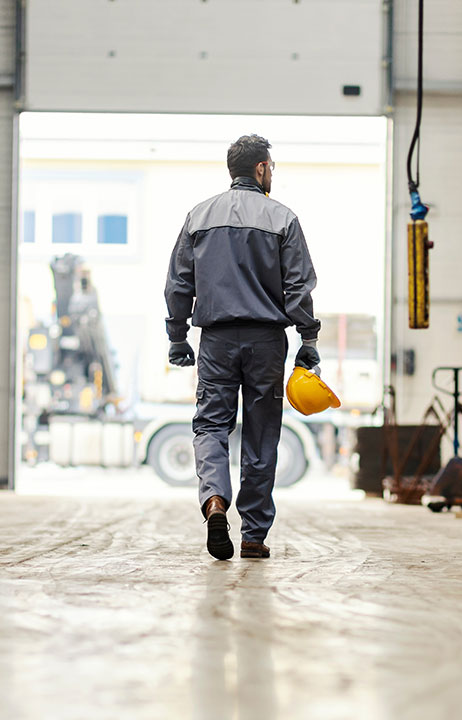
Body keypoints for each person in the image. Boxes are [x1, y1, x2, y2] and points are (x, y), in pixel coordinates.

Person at [164, 134, 321, 561]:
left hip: (215, 340)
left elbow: (179, 282)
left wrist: (178, 336)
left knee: (211, 425)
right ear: (262, 169)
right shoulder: (282, 218)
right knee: (261, 433)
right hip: (266, 342)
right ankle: (253, 535)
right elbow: (298, 287)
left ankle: (215, 499)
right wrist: (308, 339)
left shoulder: (199, 216)